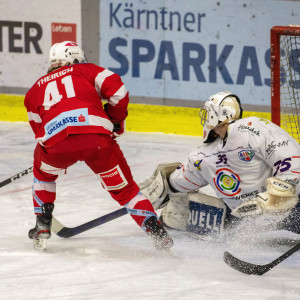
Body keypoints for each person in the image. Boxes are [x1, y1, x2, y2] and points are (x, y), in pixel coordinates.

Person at [24, 41, 173, 250]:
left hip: (56, 147)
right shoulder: (87, 70)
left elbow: (38, 130)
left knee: (43, 175)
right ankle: (157, 233)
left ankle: (42, 224)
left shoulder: (33, 91)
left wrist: (57, 153)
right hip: (97, 141)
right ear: (74, 59)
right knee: (127, 191)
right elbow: (119, 92)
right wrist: (115, 121)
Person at [141, 91, 300, 239]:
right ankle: (178, 212)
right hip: (249, 222)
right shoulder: (201, 156)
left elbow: (290, 159)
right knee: (227, 221)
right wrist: (161, 187)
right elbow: (176, 182)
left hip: (286, 209)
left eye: (208, 112)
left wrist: (277, 195)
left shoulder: (248, 129)